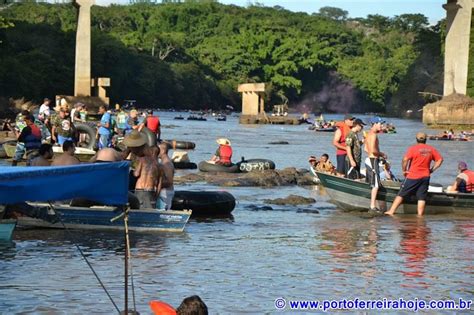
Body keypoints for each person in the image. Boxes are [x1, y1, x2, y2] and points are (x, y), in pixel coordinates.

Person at [386, 132, 443, 216]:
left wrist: (404, 170)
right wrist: (431, 170)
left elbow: (405, 160)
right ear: (425, 140)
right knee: (421, 196)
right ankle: (420, 215)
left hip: (413, 175)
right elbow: (440, 160)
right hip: (425, 176)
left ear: (416, 139)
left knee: (401, 193)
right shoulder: (431, 149)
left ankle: (391, 211)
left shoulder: (413, 148)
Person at [364, 116, 387, 213]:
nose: (382, 126)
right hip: (372, 160)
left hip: (370, 159)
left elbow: (365, 149)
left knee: (374, 184)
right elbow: (373, 150)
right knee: (376, 185)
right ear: (374, 124)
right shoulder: (373, 135)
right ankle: (372, 206)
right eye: (380, 124)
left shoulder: (368, 134)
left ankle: (372, 205)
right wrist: (382, 154)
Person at [157, 142, 175, 210]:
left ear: (163, 151)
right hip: (163, 191)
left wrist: (156, 184)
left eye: (158, 149)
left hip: (166, 192)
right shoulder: (163, 162)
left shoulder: (167, 163)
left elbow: (169, 181)